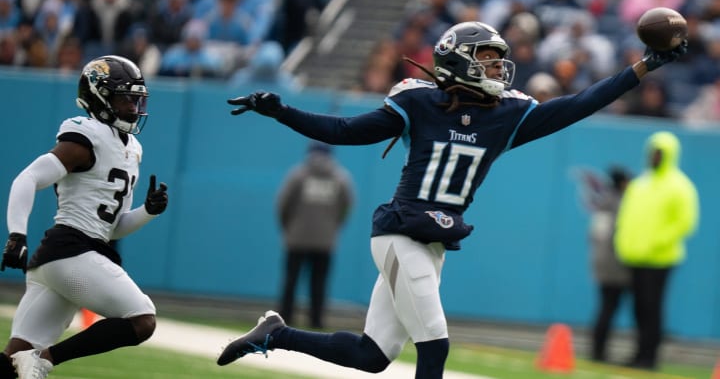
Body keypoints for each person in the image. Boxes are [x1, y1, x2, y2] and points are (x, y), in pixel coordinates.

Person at [216, 21, 688, 378]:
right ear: (459, 60)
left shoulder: (508, 115)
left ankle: (275, 333)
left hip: (432, 243)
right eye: (485, 58)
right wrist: (280, 110)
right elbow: (342, 131)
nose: (496, 68)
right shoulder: (417, 103)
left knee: (373, 356)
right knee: (435, 343)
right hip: (400, 233)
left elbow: (580, 103)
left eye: (497, 59)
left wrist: (642, 67)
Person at [0, 55, 169, 379]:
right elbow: (27, 178)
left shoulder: (132, 147)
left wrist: (148, 211)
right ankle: (46, 359)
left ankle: (35, 359)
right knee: (143, 318)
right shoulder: (87, 134)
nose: (133, 108)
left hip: (62, 259)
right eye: (124, 99)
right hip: (72, 251)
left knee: (13, 361)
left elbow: (112, 228)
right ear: (99, 97)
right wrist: (16, 234)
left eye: (136, 100)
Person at [614, 131, 699, 370]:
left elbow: (685, 222)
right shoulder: (641, 183)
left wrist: (655, 243)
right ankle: (639, 352)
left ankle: (650, 356)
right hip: (635, 257)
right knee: (639, 308)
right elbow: (626, 217)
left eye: (659, 153)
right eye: (653, 152)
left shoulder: (679, 186)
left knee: (652, 308)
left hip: (660, 258)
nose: (655, 156)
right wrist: (624, 243)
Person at [277, 141, 354, 329]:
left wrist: (288, 227)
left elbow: (283, 205)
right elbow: (347, 207)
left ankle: (284, 318)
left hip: (296, 238)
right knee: (319, 282)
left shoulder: (298, 175)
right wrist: (333, 226)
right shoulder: (341, 178)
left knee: (291, 280)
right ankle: (316, 320)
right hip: (325, 240)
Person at [577, 166, 632, 362]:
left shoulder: (604, 202)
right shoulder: (617, 204)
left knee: (605, 307)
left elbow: (594, 236)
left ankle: (597, 350)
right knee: (609, 308)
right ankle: (598, 351)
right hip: (614, 264)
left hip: (601, 262)